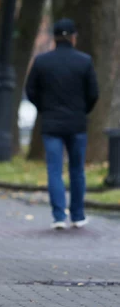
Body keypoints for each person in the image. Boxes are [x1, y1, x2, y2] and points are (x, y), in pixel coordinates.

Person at [25, 18, 99, 230]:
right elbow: (93, 93)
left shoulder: (42, 62)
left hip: (51, 124)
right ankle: (77, 215)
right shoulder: (84, 61)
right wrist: (82, 110)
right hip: (77, 123)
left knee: (54, 170)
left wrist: (44, 108)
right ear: (74, 37)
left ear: (54, 38)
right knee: (77, 170)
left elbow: (31, 91)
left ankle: (58, 216)